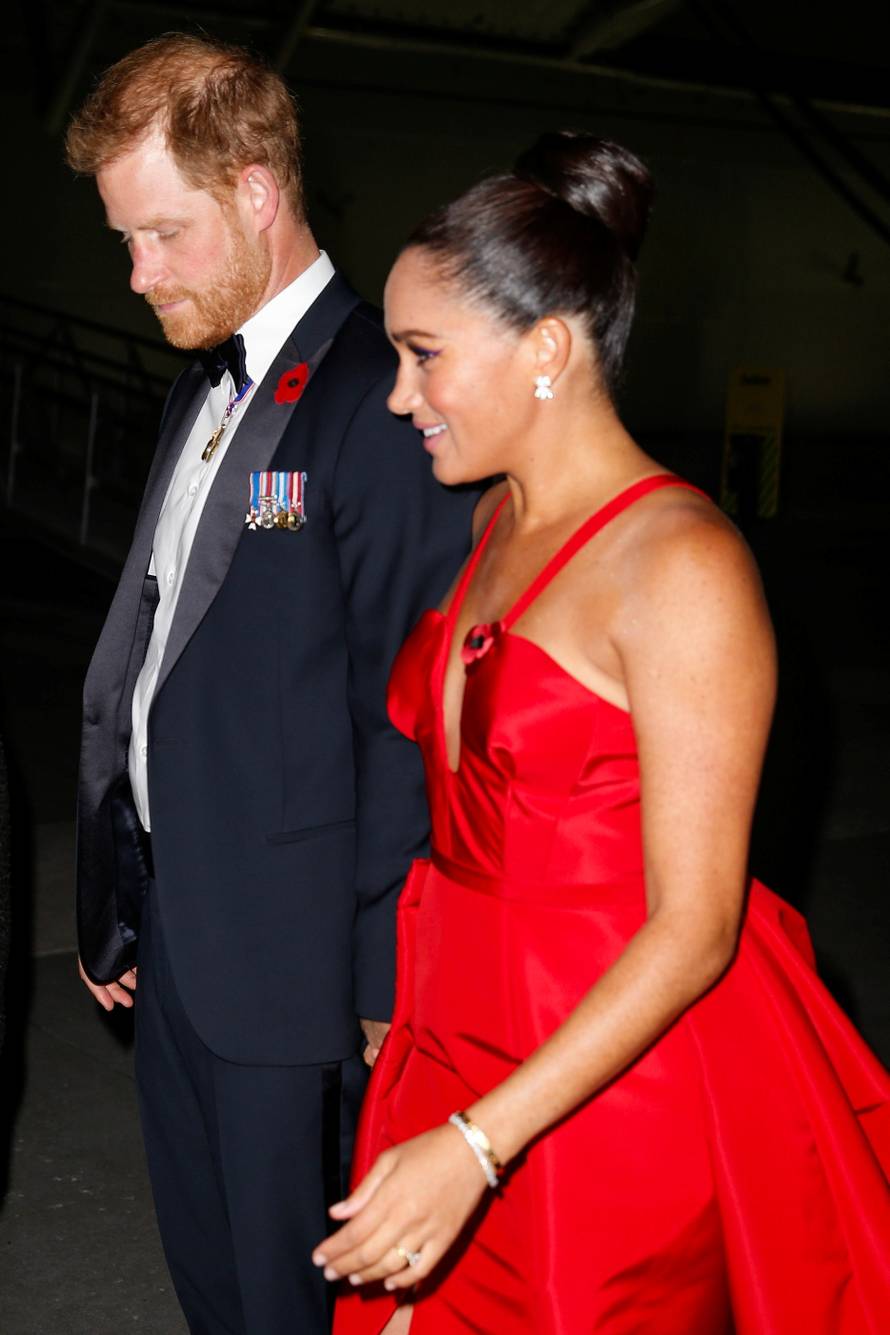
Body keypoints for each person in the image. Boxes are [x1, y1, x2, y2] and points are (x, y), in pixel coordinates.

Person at [318, 132, 890, 1333]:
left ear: (546, 349)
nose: (396, 396)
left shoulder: (680, 564)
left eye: (423, 358)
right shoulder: (487, 521)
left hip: (602, 1088)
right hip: (451, 1038)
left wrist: (477, 1147)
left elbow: (695, 926)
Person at [65, 34, 475, 1335]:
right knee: (214, 1282)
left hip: (295, 974)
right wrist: (113, 881)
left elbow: (404, 716)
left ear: (254, 190)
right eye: (125, 241)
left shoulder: (379, 399)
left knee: (293, 1300)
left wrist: (372, 986)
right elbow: (165, 641)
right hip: (178, 934)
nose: (138, 274)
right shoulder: (209, 377)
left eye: (162, 235)